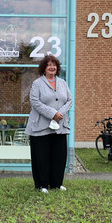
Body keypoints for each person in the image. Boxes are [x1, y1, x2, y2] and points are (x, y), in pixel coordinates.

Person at [25, 55, 73, 193]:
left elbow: (69, 100)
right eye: (49, 65)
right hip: (40, 126)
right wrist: (52, 113)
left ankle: (57, 184)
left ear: (57, 68)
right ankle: (42, 185)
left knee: (59, 156)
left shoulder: (63, 83)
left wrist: (60, 113)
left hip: (60, 126)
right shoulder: (37, 84)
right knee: (41, 157)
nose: (52, 67)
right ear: (44, 68)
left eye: (54, 65)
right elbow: (35, 102)